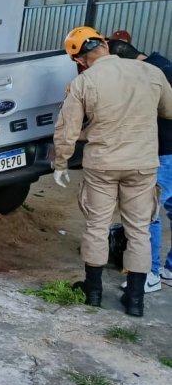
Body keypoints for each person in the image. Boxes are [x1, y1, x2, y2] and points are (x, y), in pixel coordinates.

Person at [52, 26, 172, 316]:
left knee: (96, 226)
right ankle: (135, 299)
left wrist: (61, 163)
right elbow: (169, 111)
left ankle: (93, 292)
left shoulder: (83, 82)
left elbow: (67, 130)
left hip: (102, 165)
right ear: (104, 44)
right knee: (139, 229)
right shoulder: (152, 73)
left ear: (79, 60)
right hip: (142, 165)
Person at [107, 35, 172, 292]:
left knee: (147, 213)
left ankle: (149, 274)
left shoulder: (154, 75)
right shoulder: (162, 65)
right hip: (167, 153)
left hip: (164, 154)